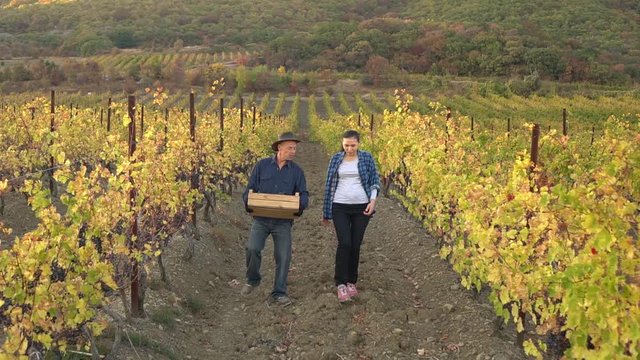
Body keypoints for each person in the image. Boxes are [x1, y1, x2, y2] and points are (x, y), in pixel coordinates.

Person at [241, 132, 309, 306]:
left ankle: (279, 292)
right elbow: (249, 189)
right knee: (252, 248)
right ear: (279, 147)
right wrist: (250, 204)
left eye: (295, 148)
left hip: (283, 222)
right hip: (261, 219)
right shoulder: (262, 166)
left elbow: (304, 194)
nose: (293, 151)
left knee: (284, 256)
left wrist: (298, 207)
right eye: (290, 148)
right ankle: (253, 279)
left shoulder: (297, 172)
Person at [322, 130, 380, 303]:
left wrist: (373, 201)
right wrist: (326, 212)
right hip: (339, 206)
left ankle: (351, 281)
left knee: (355, 245)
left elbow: (374, 180)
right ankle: (340, 283)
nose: (349, 148)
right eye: (346, 145)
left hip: (361, 207)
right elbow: (328, 185)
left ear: (359, 144)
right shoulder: (335, 159)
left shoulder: (366, 158)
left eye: (352, 145)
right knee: (344, 243)